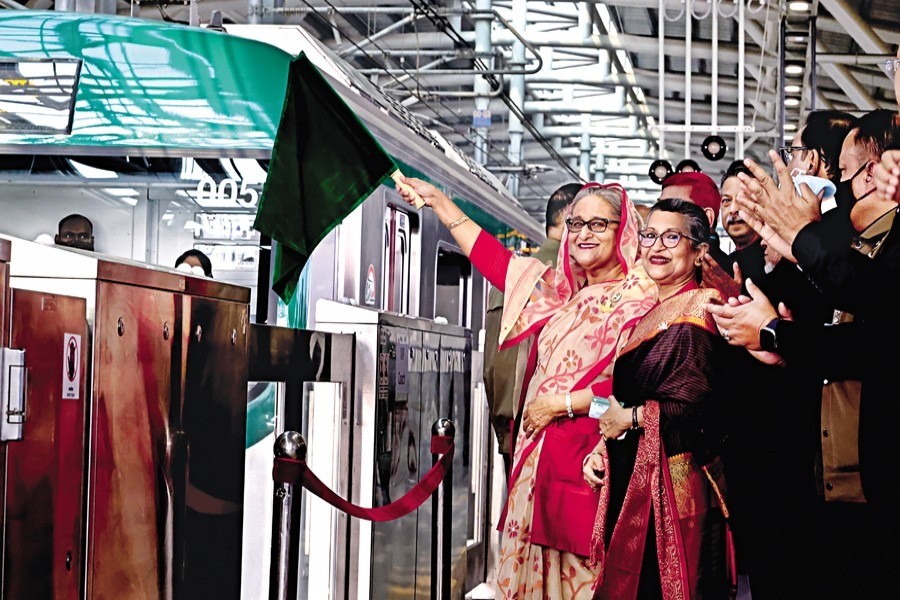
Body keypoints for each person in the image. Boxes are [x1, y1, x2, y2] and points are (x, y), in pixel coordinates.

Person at [395, 176, 656, 598]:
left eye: (599, 224)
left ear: (623, 227)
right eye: (576, 224)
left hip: (590, 466)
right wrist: (440, 203)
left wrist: (561, 404)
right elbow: (495, 261)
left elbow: (634, 392)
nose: (584, 234)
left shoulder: (641, 298)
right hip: (537, 468)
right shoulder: (562, 293)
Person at [708, 110, 900, 599]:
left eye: (845, 173)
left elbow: (868, 335)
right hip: (823, 478)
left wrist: (777, 330)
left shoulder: (865, 253)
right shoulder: (844, 250)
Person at [583, 199, 733, 599]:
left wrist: (629, 420)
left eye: (672, 237)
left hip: (673, 489)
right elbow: (625, 399)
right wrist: (604, 442)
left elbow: (697, 407)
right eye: (649, 236)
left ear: (700, 251)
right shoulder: (654, 313)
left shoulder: (701, 307)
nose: (657, 247)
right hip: (637, 478)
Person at [483, 182, 580, 477]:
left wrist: (504, 430)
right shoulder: (576, 280)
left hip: (511, 430)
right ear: (569, 222)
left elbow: (492, 367)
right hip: (563, 433)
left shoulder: (512, 277)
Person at [720, 161, 765, 285]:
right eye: (726, 200)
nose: (733, 209)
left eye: (743, 199)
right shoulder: (722, 266)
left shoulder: (775, 260)